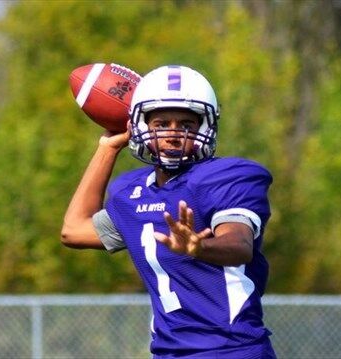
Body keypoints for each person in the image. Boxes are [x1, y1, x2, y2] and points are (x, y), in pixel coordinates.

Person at [61, 65, 276, 358]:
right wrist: (107, 149)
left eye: (186, 124)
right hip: (167, 353)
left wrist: (198, 246)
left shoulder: (226, 177)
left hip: (231, 350)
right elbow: (73, 230)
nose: (173, 133)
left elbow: (239, 245)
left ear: (205, 126)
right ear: (140, 126)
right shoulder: (132, 193)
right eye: (161, 123)